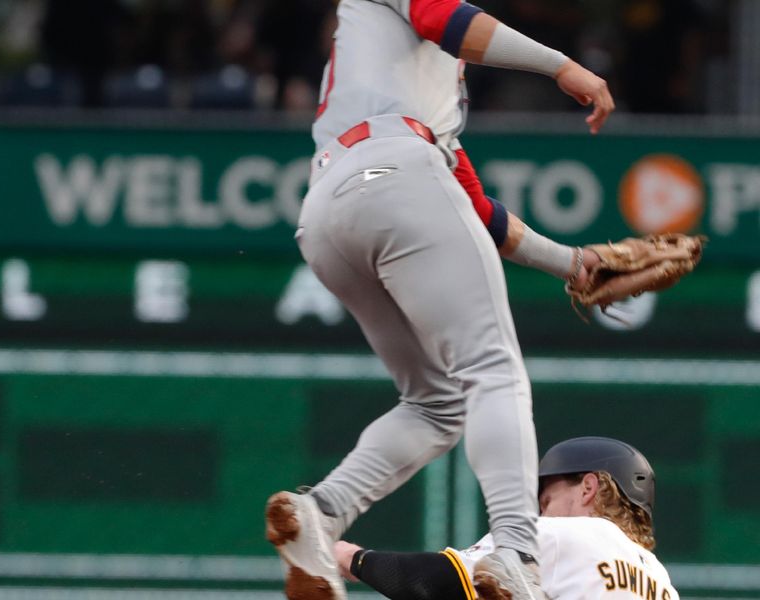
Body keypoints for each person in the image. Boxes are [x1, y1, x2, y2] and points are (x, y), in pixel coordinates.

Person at [265, 1, 614, 599]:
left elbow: (473, 209)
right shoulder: (425, 37)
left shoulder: (413, 80)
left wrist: (571, 262)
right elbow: (445, 19)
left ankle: (320, 514)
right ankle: (514, 551)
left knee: (437, 401)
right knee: (492, 369)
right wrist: (562, 66)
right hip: (398, 173)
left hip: (329, 210)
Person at [333, 437, 680, 600]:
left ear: (588, 487)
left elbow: (441, 581)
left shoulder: (559, 534)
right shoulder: (663, 583)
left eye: (547, 500)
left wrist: (352, 559)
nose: (541, 512)